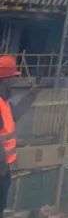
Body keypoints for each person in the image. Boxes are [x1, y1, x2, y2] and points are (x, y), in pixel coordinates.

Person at [0, 55, 18, 217]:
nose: (15, 83)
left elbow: (15, 116)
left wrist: (32, 95)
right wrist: (3, 170)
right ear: (5, 80)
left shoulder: (4, 103)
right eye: (13, 78)